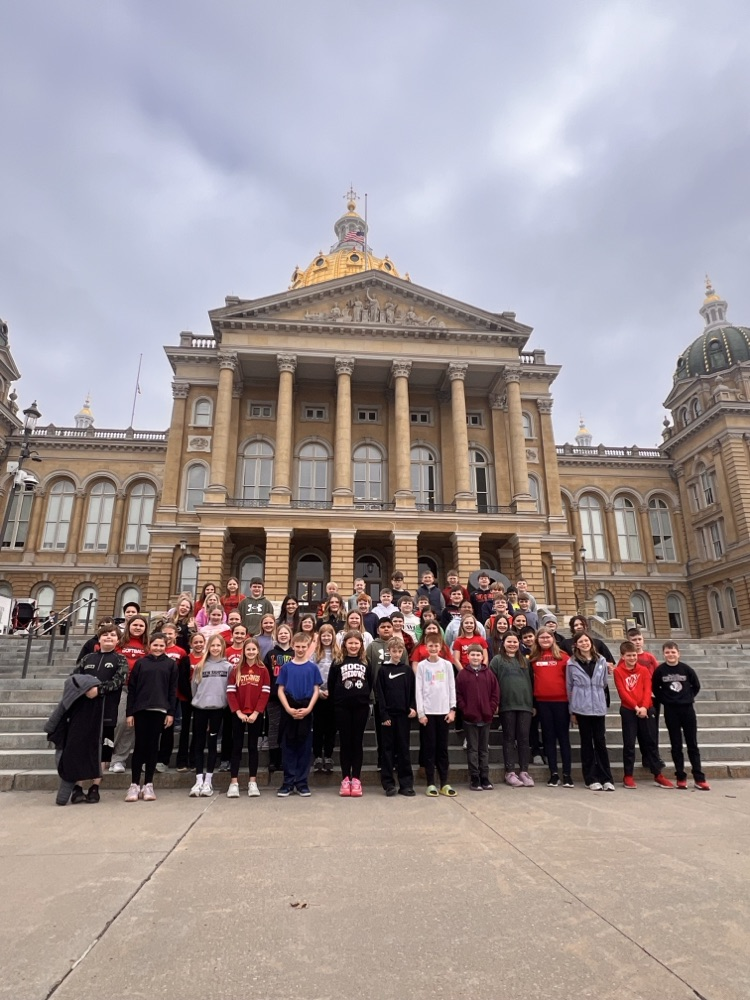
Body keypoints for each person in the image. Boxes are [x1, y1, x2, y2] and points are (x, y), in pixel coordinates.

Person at [62, 625, 128, 802]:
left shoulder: (120, 659)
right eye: (105, 635)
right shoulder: (87, 658)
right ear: (99, 639)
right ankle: (78, 787)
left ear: (118, 640)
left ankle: (95, 786)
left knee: (103, 750)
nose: (108, 637)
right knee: (82, 748)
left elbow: (119, 680)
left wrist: (98, 690)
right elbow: (74, 678)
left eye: (112, 635)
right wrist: (85, 690)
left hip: (107, 711)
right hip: (84, 711)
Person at [124, 633, 178, 802]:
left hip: (160, 710)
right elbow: (132, 689)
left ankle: (148, 784)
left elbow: (172, 690)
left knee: (153, 747)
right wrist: (130, 712)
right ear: (149, 646)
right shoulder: (141, 663)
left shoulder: (171, 664)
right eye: (155, 645)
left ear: (165, 647)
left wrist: (170, 712)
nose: (158, 648)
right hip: (141, 709)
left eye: (161, 645)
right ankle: (134, 784)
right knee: (139, 746)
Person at [614, 641, 674, 790]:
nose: (632, 658)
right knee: (629, 743)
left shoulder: (643, 670)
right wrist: (636, 707)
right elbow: (622, 692)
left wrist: (644, 707)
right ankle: (628, 775)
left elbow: (648, 689)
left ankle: (658, 774)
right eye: (629, 655)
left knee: (650, 742)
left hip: (646, 708)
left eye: (634, 655)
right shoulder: (618, 671)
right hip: (628, 709)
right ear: (622, 656)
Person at [652, 642, 710, 790]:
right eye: (667, 652)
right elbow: (656, 689)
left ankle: (699, 777)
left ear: (678, 653)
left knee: (692, 744)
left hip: (687, 709)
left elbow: (696, 686)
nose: (670, 655)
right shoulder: (660, 671)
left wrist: (687, 697)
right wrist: (666, 700)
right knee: (676, 744)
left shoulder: (686, 669)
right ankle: (680, 776)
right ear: (663, 654)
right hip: (671, 711)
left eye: (673, 652)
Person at [45, 672, 103, 806]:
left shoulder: (79, 700)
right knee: (67, 763)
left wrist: (49, 728)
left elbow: (58, 713)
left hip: (75, 736)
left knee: (68, 764)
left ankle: (65, 796)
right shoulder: (88, 702)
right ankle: (68, 793)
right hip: (70, 735)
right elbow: (58, 713)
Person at [566, 632, 614, 792]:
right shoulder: (571, 663)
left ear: (591, 643)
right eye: (581, 641)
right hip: (581, 707)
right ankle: (591, 778)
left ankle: (606, 778)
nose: (584, 643)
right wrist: (572, 710)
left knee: (600, 742)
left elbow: (604, 683)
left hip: (598, 706)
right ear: (576, 645)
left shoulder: (601, 660)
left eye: (586, 640)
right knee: (586, 742)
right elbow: (569, 687)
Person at [276, 633, 322, 797]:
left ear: (308, 647)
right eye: (298, 646)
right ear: (293, 646)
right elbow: (280, 690)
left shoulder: (313, 668)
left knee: (304, 747)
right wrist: (288, 709)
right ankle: (288, 782)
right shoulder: (286, 668)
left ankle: (302, 783)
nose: (301, 649)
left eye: (304, 647)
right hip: (289, 708)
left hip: (306, 708)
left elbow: (316, 690)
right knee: (288, 747)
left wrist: (309, 708)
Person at [328, 630, 373, 797]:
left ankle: (357, 779)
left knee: (357, 742)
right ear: (345, 644)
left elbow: (370, 681)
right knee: (345, 742)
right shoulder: (337, 662)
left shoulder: (366, 662)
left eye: (356, 643)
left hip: (361, 707)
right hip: (342, 708)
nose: (353, 646)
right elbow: (331, 684)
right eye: (350, 643)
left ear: (361, 645)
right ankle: (346, 778)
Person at [226, 637, 270, 798]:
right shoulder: (236, 669)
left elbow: (265, 693)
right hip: (238, 713)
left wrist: (256, 712)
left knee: (253, 747)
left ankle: (253, 782)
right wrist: (237, 712)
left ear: (258, 651)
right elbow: (231, 692)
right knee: (236, 747)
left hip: (255, 714)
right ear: (243, 651)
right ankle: (234, 783)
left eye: (253, 649)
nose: (251, 652)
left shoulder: (263, 670)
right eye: (248, 649)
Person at [529, 628, 573, 788]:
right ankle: (553, 773)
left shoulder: (564, 656)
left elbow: (571, 680)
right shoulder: (533, 658)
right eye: (542, 637)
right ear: (537, 640)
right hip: (542, 703)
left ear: (553, 638)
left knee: (563, 738)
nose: (545, 640)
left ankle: (567, 774)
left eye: (548, 637)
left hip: (562, 702)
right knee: (548, 738)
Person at [490, 632, 535, 787]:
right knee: (509, 738)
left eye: (515, 642)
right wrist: (495, 702)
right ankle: (510, 771)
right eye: (509, 641)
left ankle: (524, 771)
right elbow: (492, 683)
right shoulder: (497, 660)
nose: (512, 644)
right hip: (506, 704)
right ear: (503, 643)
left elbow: (532, 682)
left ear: (519, 643)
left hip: (525, 704)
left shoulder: (525, 661)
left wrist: (533, 704)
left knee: (524, 738)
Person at [415, 636, 457, 797]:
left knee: (442, 749)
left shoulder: (446, 665)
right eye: (430, 646)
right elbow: (419, 689)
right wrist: (421, 713)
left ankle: (444, 782)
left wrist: (452, 709)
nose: (433, 649)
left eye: (436, 646)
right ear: (426, 647)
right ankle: (430, 783)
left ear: (440, 647)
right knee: (429, 748)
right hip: (428, 713)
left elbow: (451, 687)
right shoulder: (422, 666)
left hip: (443, 712)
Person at [189, 634, 230, 798]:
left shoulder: (228, 667)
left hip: (218, 710)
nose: (215, 648)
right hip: (200, 709)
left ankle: (208, 780)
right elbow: (194, 688)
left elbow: (229, 689)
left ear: (222, 647)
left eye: (218, 645)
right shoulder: (200, 666)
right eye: (212, 645)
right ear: (208, 647)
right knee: (199, 744)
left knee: (212, 745)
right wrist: (200, 701)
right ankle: (198, 779)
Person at [376, 637, 417, 796]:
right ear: (389, 651)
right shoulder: (383, 670)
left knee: (403, 749)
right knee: (387, 750)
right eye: (394, 651)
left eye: (400, 651)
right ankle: (388, 784)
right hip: (388, 717)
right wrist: (384, 715)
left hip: (403, 716)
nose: (397, 654)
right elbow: (380, 694)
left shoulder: (407, 670)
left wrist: (412, 707)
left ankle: (406, 784)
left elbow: (413, 691)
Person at [109, 615, 149, 774]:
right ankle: (108, 754)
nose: (138, 628)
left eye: (141, 625)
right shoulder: (119, 643)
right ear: (128, 626)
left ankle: (119, 759)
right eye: (135, 625)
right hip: (121, 687)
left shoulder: (147, 646)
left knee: (130, 725)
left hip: (139, 689)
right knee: (120, 722)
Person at [456, 643, 499, 791]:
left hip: (486, 717)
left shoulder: (489, 674)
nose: (475, 657)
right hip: (470, 718)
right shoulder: (462, 675)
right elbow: (458, 694)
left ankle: (484, 777)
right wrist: (465, 709)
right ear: (468, 656)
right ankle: (474, 777)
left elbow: (495, 693)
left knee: (484, 749)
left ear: (482, 657)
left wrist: (491, 709)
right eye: (472, 655)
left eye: (478, 655)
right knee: (472, 749)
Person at [155, 622, 190, 773]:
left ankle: (164, 760)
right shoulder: (155, 649)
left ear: (176, 635)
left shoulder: (181, 652)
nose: (168, 636)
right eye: (165, 633)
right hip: (157, 693)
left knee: (168, 728)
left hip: (174, 694)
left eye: (171, 633)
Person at [263, 623, 294, 773]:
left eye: (286, 633)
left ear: (290, 636)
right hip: (274, 697)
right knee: (274, 727)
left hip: (291, 697)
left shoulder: (295, 653)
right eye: (280, 633)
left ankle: (284, 758)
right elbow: (266, 675)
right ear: (276, 635)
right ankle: (273, 759)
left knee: (288, 727)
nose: (283, 635)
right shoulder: (270, 654)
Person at [175, 631, 204, 771]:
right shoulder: (186, 659)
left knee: (198, 731)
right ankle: (182, 761)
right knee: (185, 730)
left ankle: (194, 760)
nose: (198, 644)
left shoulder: (207, 659)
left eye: (201, 642)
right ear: (191, 644)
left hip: (202, 700)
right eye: (195, 642)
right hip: (187, 698)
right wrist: (191, 696)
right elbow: (182, 680)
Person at [312, 623, 337, 774]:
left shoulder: (338, 653)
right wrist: (319, 690)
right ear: (319, 637)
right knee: (318, 727)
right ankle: (317, 756)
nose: (326, 638)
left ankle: (328, 755)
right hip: (318, 694)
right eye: (324, 635)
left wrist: (331, 691)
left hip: (333, 695)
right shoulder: (315, 654)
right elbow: (310, 673)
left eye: (329, 635)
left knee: (331, 728)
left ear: (333, 636)